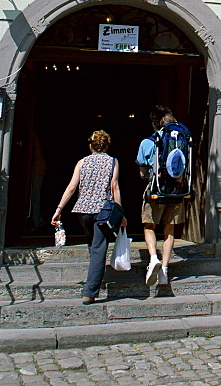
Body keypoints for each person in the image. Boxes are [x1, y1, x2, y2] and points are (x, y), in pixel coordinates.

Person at [51, 130, 126, 304]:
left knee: (93, 246)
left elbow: (71, 187)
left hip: (83, 211)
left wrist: (59, 208)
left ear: (90, 145)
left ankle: (93, 277)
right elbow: (114, 188)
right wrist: (120, 212)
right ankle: (90, 291)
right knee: (99, 249)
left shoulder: (82, 162)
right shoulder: (113, 162)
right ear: (106, 145)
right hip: (102, 211)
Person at [137, 105, 186, 287]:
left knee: (149, 225)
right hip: (177, 190)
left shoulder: (147, 142)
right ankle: (165, 269)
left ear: (155, 123)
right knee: (169, 230)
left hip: (156, 190)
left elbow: (142, 173)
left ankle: (153, 259)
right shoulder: (182, 140)